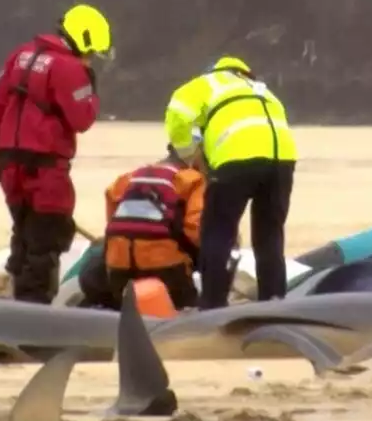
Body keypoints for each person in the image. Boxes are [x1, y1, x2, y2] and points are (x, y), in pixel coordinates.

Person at [0, 3, 110, 304]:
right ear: (85, 39)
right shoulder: (70, 68)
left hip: (10, 166)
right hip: (46, 169)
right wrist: (91, 87)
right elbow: (82, 119)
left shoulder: (20, 56)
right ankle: (34, 314)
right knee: (47, 240)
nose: (91, 58)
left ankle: (8, 292)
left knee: (24, 234)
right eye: (92, 52)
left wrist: (1, 153)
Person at [165, 56, 298, 310]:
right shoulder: (264, 92)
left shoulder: (208, 83)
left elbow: (178, 115)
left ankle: (213, 305)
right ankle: (275, 303)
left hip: (237, 158)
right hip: (283, 160)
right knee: (269, 235)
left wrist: (190, 154)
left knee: (218, 231)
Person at [76, 145, 206, 312]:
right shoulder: (193, 181)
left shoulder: (128, 179)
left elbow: (113, 226)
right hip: (165, 267)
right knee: (187, 304)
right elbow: (196, 231)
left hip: (118, 266)